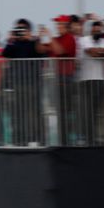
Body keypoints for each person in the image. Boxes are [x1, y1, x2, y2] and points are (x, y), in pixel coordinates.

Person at [3, 18, 47, 146]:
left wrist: (34, 39)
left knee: (34, 112)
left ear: (28, 30)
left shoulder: (33, 43)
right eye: (18, 29)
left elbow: (42, 51)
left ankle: (38, 139)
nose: (20, 32)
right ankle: (19, 140)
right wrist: (10, 39)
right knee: (18, 112)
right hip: (18, 84)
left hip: (33, 83)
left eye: (23, 29)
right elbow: (5, 53)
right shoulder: (14, 44)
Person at [42, 15, 78, 145]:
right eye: (57, 24)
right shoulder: (56, 39)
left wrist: (50, 37)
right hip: (56, 78)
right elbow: (41, 49)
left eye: (60, 24)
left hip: (66, 78)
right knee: (58, 111)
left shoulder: (70, 38)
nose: (58, 26)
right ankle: (62, 139)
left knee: (65, 110)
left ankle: (67, 139)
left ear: (66, 26)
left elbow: (60, 51)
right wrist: (40, 37)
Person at [78, 20, 104, 145]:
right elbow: (91, 53)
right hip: (86, 79)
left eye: (99, 29)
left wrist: (99, 51)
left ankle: (97, 137)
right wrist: (102, 52)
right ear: (91, 29)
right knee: (87, 110)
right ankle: (88, 137)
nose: (97, 31)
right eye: (95, 29)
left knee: (98, 110)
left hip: (101, 79)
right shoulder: (84, 40)